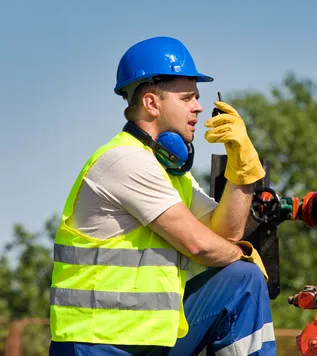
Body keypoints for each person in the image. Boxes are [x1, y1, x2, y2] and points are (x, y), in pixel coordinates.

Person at [48, 36, 276, 356]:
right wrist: (243, 253)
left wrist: (243, 171)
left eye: (197, 97)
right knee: (243, 269)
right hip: (98, 343)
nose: (198, 106)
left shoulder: (168, 171)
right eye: (187, 98)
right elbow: (200, 246)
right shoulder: (126, 160)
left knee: (242, 279)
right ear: (152, 104)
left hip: (150, 340)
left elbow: (225, 233)